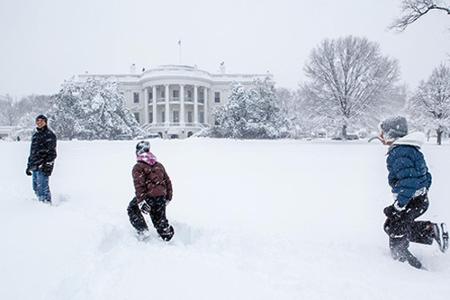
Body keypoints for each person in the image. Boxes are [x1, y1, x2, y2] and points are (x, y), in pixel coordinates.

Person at [380, 116, 448, 269]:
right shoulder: (410, 150)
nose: (381, 136)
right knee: (391, 226)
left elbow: (409, 182)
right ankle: (430, 230)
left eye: (383, 133)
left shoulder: (399, 153)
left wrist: (399, 206)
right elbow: (427, 176)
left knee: (396, 233)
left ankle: (410, 269)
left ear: (391, 134)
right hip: (416, 199)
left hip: (410, 201)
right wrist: (421, 192)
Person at [127, 141, 174, 241]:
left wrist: (141, 201)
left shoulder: (138, 167)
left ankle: (143, 231)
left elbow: (139, 186)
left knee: (132, 208)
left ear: (138, 152)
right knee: (159, 219)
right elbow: (167, 181)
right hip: (161, 196)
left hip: (148, 197)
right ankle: (167, 235)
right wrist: (168, 197)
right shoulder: (159, 165)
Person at [26, 114, 57, 204]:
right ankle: (40, 203)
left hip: (43, 165)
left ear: (45, 122)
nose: (39, 123)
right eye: (37, 121)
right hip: (34, 165)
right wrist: (29, 166)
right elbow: (32, 152)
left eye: (41, 121)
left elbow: (52, 153)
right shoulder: (35, 136)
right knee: (35, 187)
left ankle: (46, 205)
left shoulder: (49, 135)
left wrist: (47, 164)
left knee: (42, 188)